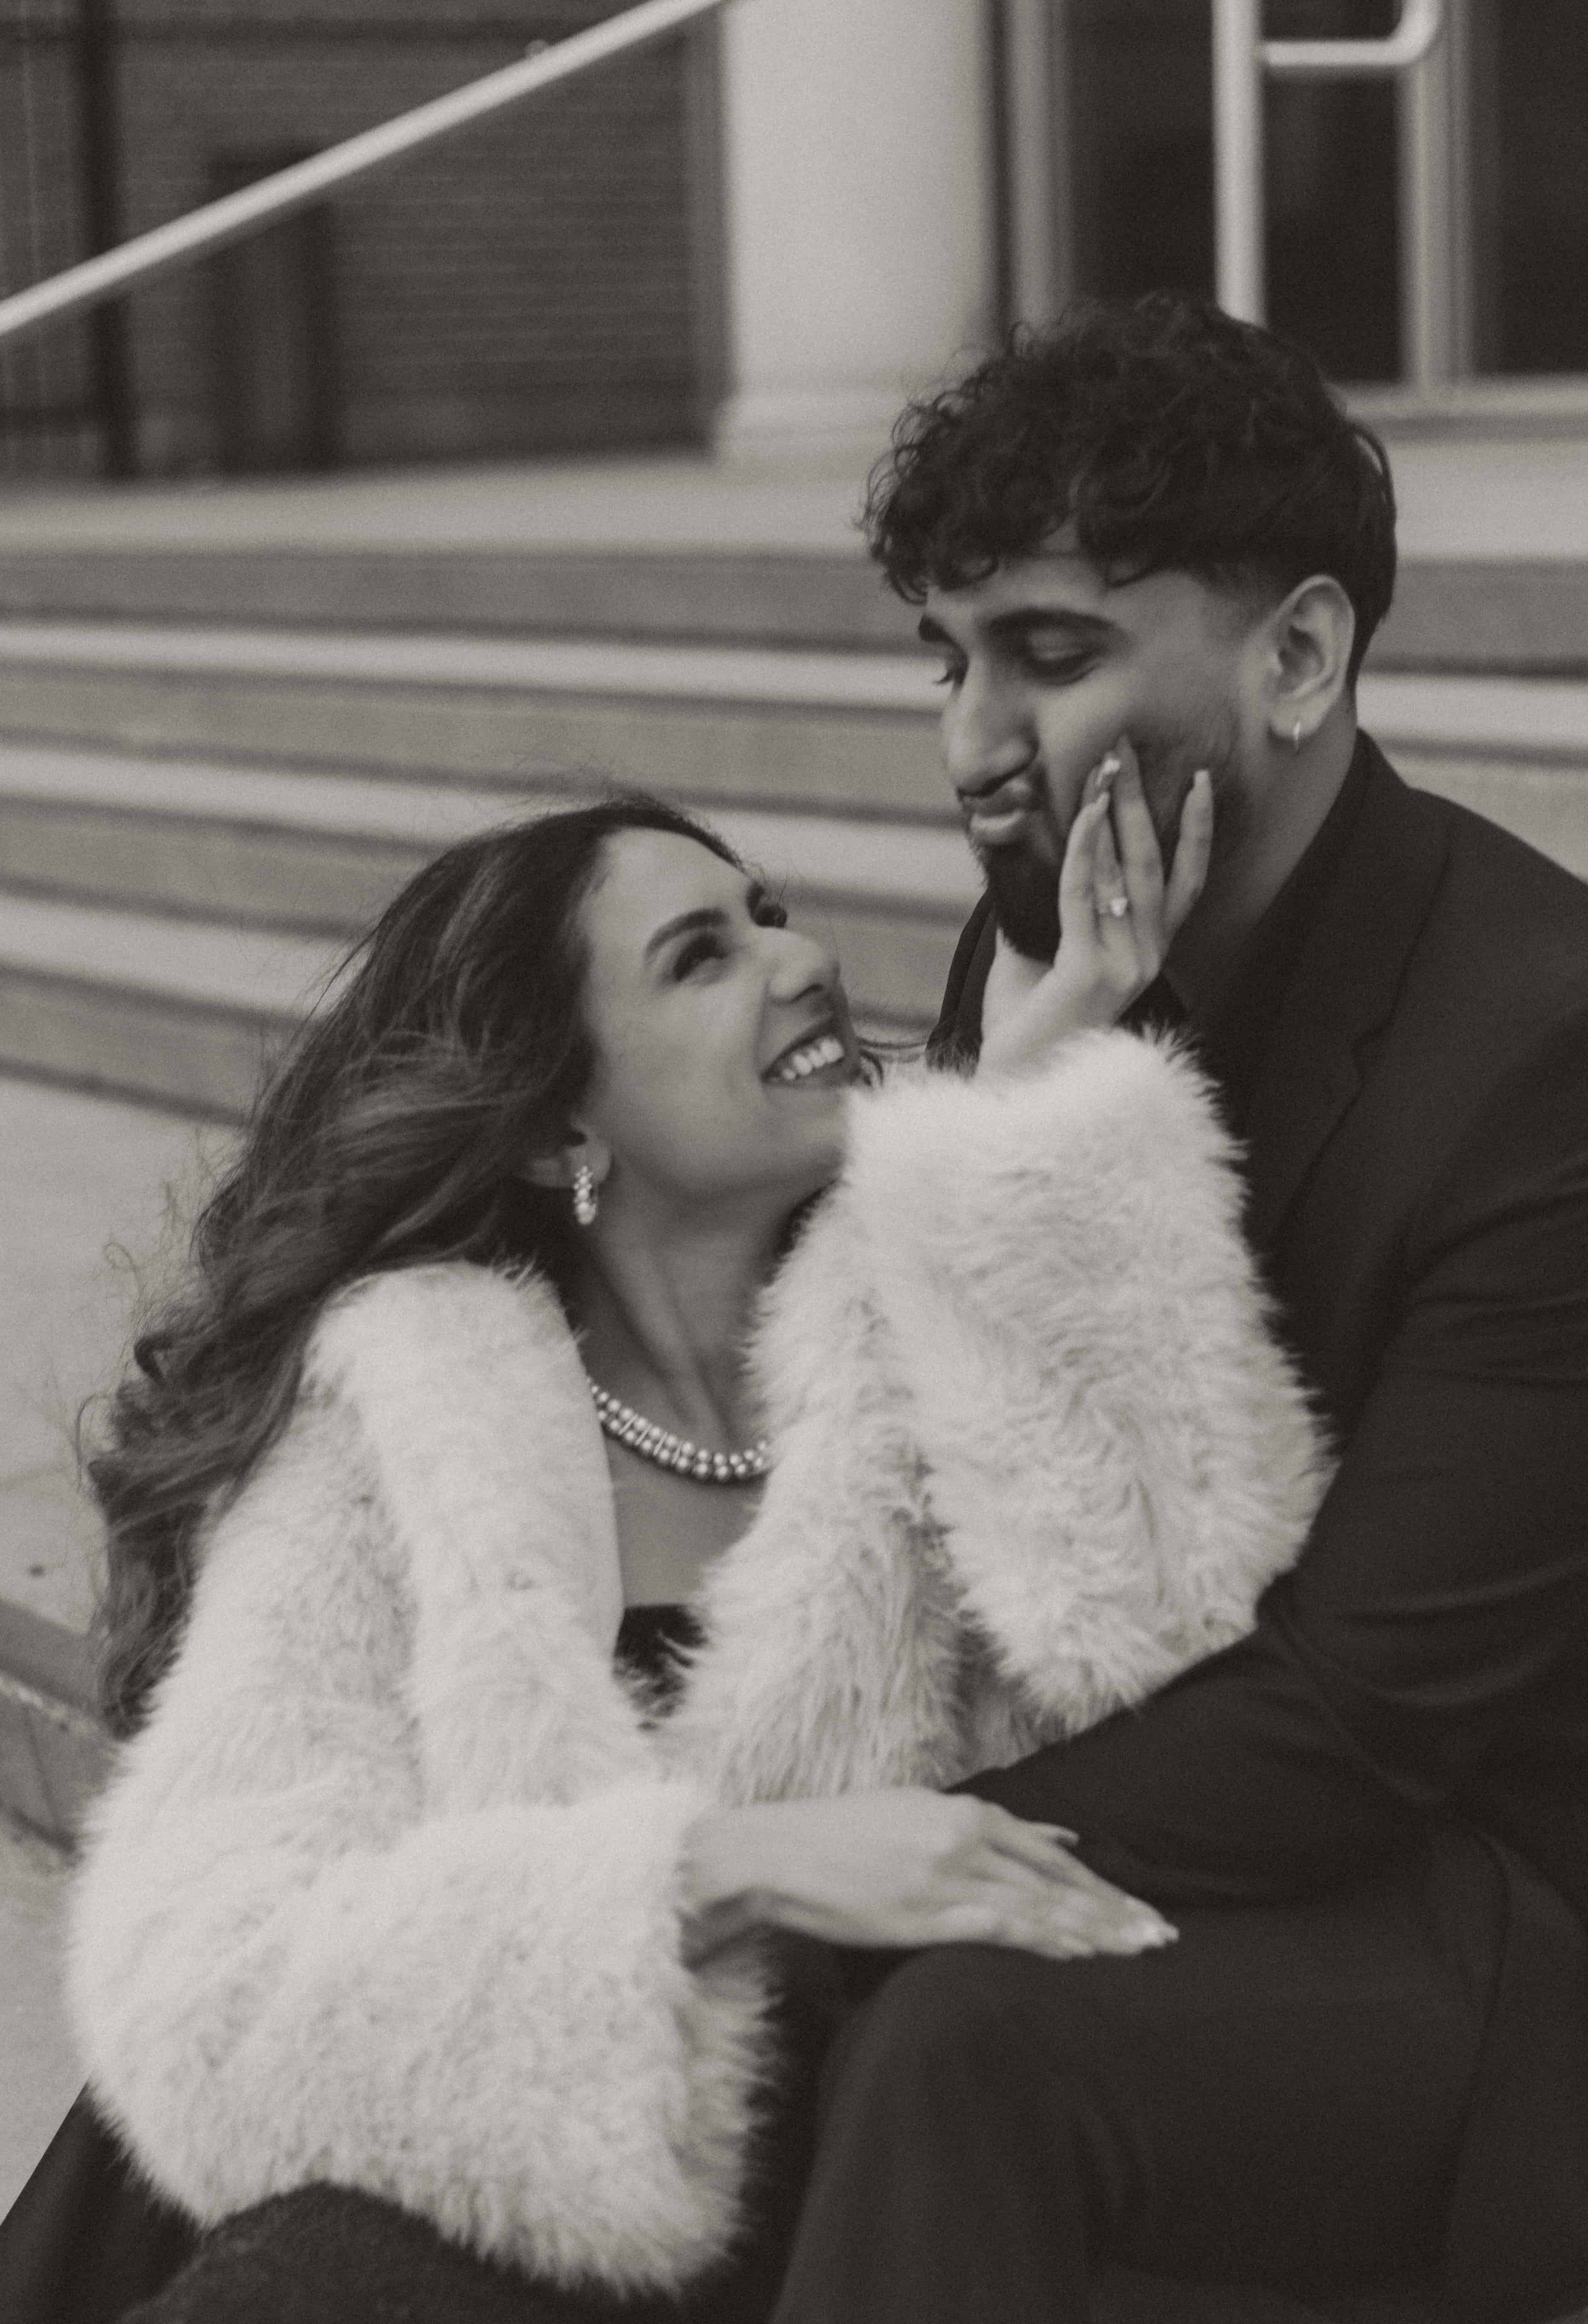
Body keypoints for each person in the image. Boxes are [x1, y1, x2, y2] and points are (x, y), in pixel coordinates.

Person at [4, 779, 1324, 2324]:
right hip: (493, 2206)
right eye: (701, 957)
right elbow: (208, 1981)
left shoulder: (925, 1334)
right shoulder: (410, 1422)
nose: (804, 956)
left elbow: (1167, 1628)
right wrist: (715, 1871)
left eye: (769, 909)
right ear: (563, 1114)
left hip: (870, 2196)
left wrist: (1021, 1141)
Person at [757, 292, 1588, 2324]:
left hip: (1482, 1914)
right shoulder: (1043, 932)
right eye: (944, 660)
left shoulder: (1539, 1044)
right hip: (1153, 1781)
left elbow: (1357, 1717)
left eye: (1047, 656)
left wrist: (867, 1864)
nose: (969, 746)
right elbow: (949, 1451)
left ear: (1298, 653)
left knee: (956, 2029)